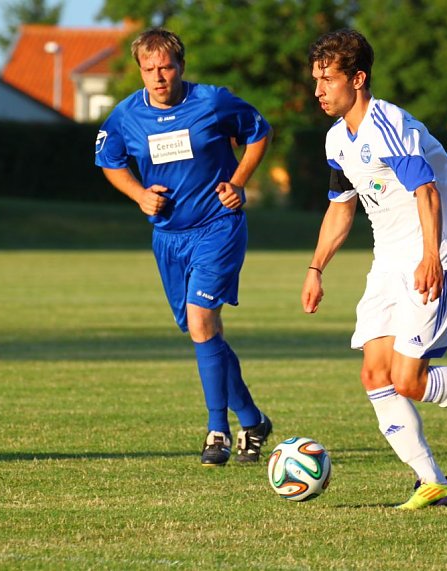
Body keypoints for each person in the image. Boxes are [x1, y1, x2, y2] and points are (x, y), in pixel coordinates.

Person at [301, 29, 447, 510]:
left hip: (433, 253)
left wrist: (431, 257)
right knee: (374, 374)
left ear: (358, 79)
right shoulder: (335, 140)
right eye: (316, 80)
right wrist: (316, 267)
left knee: (408, 379)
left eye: (328, 79)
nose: (318, 90)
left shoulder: (388, 124)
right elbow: (341, 207)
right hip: (386, 260)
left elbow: (425, 192)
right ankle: (433, 481)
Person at [94, 27, 273, 467]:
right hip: (168, 238)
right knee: (201, 332)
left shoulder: (212, 101)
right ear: (140, 71)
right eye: (149, 69)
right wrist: (138, 194)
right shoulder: (124, 116)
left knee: (201, 322)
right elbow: (110, 162)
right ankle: (253, 419)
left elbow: (258, 131)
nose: (159, 77)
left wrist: (238, 182)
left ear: (181, 67)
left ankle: (219, 431)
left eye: (166, 67)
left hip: (218, 226)